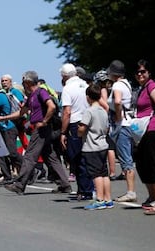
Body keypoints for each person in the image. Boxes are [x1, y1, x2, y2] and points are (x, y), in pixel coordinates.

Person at [1, 71, 71, 194]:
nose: (23, 85)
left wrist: (44, 121)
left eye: (23, 82)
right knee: (50, 157)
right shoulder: (32, 96)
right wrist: (3, 118)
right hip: (41, 129)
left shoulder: (40, 92)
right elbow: (21, 112)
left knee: (29, 156)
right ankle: (64, 184)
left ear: (28, 82)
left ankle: (19, 184)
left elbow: (52, 106)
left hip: (42, 129)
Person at [131, 59, 155, 215]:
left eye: (143, 71)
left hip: (153, 129)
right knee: (141, 164)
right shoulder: (142, 88)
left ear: (149, 73)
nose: (139, 74)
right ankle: (152, 196)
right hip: (142, 132)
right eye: (137, 72)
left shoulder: (152, 87)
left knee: (151, 163)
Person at [59, 63, 94, 201]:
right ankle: (87, 189)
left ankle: (84, 190)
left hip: (75, 124)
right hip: (88, 121)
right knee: (87, 156)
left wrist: (63, 132)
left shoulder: (67, 88)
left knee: (77, 158)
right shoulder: (85, 85)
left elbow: (67, 112)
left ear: (64, 76)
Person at [77, 84, 114, 210]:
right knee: (104, 173)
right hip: (103, 145)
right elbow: (107, 127)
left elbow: (82, 128)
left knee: (96, 174)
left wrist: (78, 132)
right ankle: (108, 198)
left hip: (92, 146)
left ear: (88, 97)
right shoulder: (103, 111)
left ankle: (99, 199)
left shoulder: (89, 111)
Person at [106, 60, 137, 202]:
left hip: (122, 124)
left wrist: (118, 118)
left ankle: (131, 192)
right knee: (126, 156)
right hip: (128, 123)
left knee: (125, 158)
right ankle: (130, 190)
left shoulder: (118, 85)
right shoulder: (126, 83)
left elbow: (117, 102)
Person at [93, 70, 118, 180]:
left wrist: (103, 118)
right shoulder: (108, 89)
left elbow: (105, 106)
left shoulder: (102, 90)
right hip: (109, 120)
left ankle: (112, 172)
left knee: (109, 146)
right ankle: (111, 171)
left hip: (105, 121)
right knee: (109, 145)